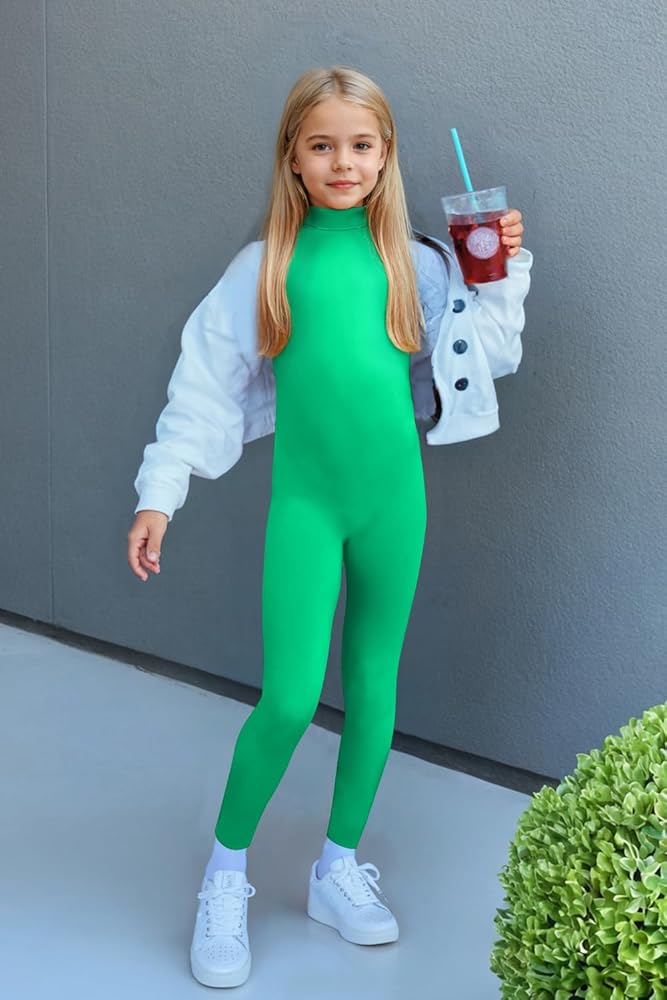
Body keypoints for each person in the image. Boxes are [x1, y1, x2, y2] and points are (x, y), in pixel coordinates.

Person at [127, 65, 531, 989]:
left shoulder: (418, 265)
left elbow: (489, 355)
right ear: (293, 158)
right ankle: (223, 875)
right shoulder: (264, 267)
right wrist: (160, 492)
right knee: (288, 698)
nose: (342, 161)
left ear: (385, 155)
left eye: (360, 144)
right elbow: (202, 387)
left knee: (375, 689)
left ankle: (336, 868)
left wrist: (498, 269)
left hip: (395, 504)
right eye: (322, 145)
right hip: (307, 509)